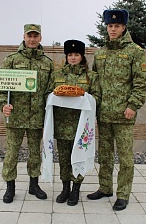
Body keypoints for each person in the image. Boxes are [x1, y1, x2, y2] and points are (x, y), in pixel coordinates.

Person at [86, 9, 146, 211]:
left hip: (124, 115)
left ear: (124, 27)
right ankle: (105, 187)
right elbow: (94, 83)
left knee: (125, 157)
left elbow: (141, 83)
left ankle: (123, 194)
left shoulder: (135, 52)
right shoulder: (100, 53)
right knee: (104, 155)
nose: (113, 29)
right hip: (103, 115)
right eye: (110, 26)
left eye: (117, 26)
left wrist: (133, 105)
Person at [0, 24, 54, 203]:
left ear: (40, 38)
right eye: (30, 36)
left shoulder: (47, 63)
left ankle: (34, 185)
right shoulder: (12, 60)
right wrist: (3, 104)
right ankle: (10, 187)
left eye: (36, 36)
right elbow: (0, 88)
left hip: (37, 117)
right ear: (24, 36)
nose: (32, 39)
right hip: (16, 117)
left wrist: (49, 113)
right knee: (12, 153)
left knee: (35, 152)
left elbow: (50, 91)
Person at [47, 40, 101, 206]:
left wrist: (84, 98)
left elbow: (97, 98)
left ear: (82, 56)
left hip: (81, 127)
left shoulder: (91, 77)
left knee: (79, 157)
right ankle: (65, 188)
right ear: (66, 56)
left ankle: (76, 189)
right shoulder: (57, 76)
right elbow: (48, 95)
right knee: (64, 158)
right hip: (62, 124)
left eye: (76, 54)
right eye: (70, 55)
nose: (73, 57)